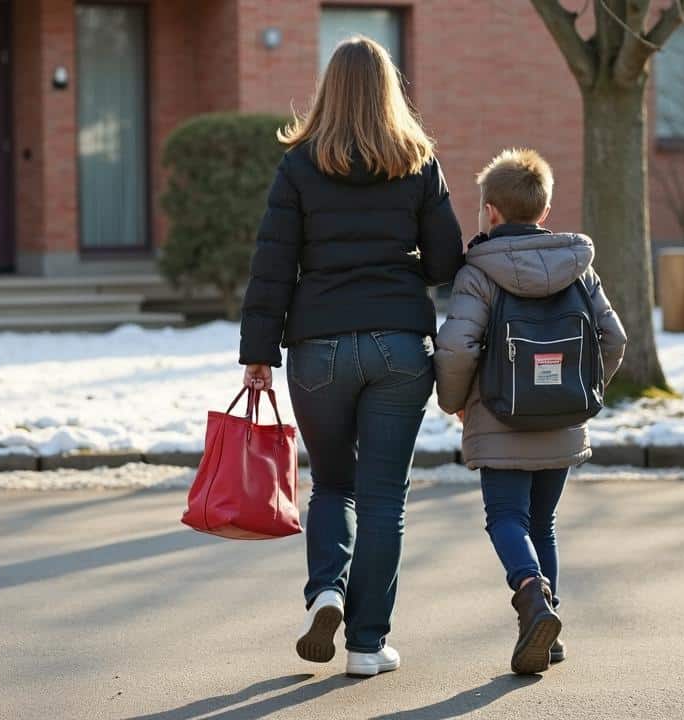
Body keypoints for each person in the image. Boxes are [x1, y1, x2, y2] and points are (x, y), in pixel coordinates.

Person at [238, 36, 463, 677]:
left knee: (333, 483)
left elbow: (273, 265)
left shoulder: (300, 166)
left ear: (328, 90)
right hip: (398, 346)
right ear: (390, 90)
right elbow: (446, 261)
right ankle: (367, 644)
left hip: (318, 350)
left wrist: (258, 352)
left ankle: (326, 592)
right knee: (385, 497)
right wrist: (401, 265)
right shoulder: (418, 162)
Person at [434, 148, 628, 674]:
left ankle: (532, 594)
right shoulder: (579, 269)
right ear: (544, 212)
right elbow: (612, 338)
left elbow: (456, 347)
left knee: (506, 517)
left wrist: (455, 403)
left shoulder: (480, 272)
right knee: (542, 520)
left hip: (499, 417)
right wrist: (579, 392)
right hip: (562, 420)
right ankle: (551, 632)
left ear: (491, 212)